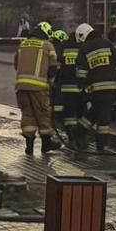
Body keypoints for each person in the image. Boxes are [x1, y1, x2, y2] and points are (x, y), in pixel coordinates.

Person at [13, 25, 61, 156]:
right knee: (43, 113)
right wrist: (51, 82)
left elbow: (16, 65)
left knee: (28, 114)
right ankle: (46, 143)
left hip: (21, 86)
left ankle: (29, 145)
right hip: (39, 87)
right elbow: (53, 67)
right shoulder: (47, 45)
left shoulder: (22, 44)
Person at [76, 22, 116, 152]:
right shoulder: (107, 43)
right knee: (104, 116)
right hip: (110, 87)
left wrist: (82, 87)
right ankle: (101, 145)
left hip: (94, 88)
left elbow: (81, 72)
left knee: (96, 111)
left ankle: (79, 130)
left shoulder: (85, 48)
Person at [52, 28, 83, 148]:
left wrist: (56, 81)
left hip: (66, 87)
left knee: (69, 115)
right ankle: (80, 137)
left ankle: (71, 135)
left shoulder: (63, 47)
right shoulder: (82, 47)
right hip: (80, 88)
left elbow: (58, 67)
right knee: (80, 113)